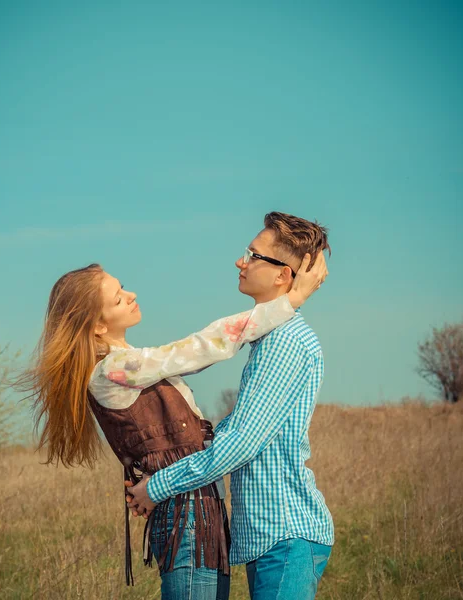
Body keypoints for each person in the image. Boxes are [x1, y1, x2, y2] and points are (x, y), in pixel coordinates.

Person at [21, 242, 327, 600]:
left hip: (199, 514)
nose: (131, 294)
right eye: (119, 298)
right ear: (99, 326)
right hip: (187, 518)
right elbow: (196, 349)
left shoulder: (130, 364)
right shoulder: (114, 370)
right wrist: (290, 302)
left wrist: (154, 486)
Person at [126, 212, 334, 600]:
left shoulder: (285, 343)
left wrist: (159, 487)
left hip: (285, 533)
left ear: (282, 275)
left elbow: (240, 443)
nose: (241, 262)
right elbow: (238, 430)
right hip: (270, 538)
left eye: (253, 255)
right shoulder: (269, 339)